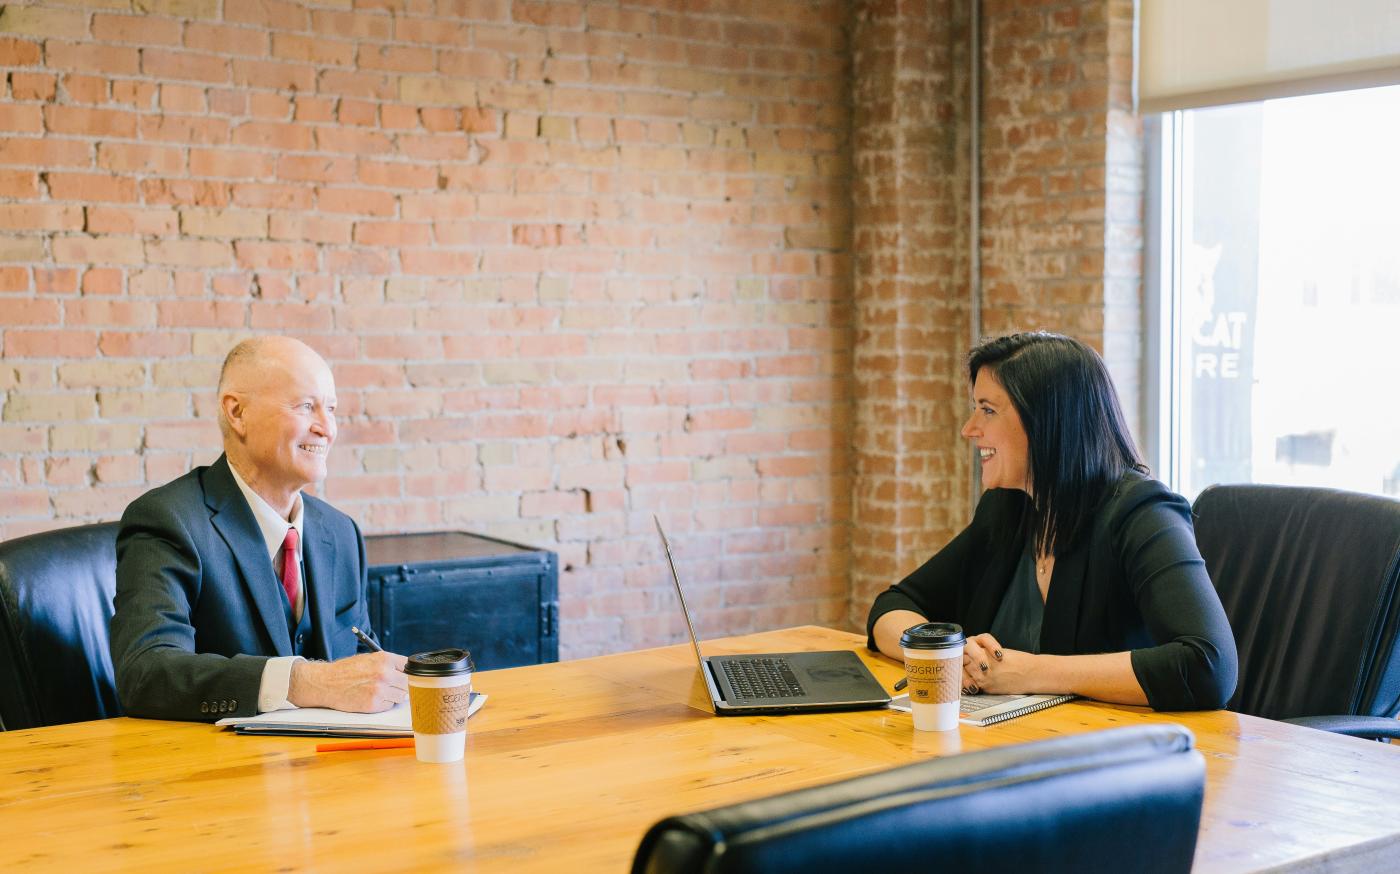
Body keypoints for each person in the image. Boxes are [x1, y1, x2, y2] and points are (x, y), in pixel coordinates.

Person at [867, 332, 1237, 710]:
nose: (969, 428)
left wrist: (1029, 672)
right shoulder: (1009, 508)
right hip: (1022, 745)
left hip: (1115, 752)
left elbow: (1208, 666)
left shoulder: (1143, 513)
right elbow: (894, 604)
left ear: (1046, 421)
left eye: (988, 410)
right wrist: (948, 656)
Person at [110, 336, 407, 722]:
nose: (327, 428)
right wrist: (306, 682)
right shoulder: (168, 519)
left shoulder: (340, 532)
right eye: (305, 406)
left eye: (331, 409)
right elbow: (145, 674)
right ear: (237, 413)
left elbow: (360, 664)